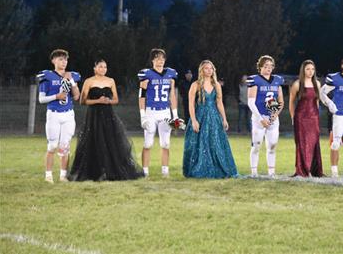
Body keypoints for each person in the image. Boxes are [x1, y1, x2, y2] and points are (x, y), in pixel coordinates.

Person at [68, 59, 144, 181]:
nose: (103, 69)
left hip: (108, 115)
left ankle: (110, 170)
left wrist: (109, 101)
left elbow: (116, 100)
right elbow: (83, 101)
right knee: (94, 141)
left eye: (105, 67)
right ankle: (95, 171)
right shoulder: (89, 81)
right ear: (95, 68)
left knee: (111, 141)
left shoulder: (110, 81)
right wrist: (98, 101)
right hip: (94, 115)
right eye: (100, 67)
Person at [183, 60, 238, 178]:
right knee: (199, 143)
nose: (209, 70)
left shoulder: (216, 85)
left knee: (215, 143)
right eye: (206, 68)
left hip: (213, 117)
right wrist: (193, 120)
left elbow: (219, 103)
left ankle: (217, 167)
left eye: (211, 68)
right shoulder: (195, 85)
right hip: (200, 116)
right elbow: (191, 104)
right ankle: (200, 168)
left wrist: (224, 119)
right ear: (201, 70)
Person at [36, 49, 80, 183]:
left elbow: (77, 96)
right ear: (53, 61)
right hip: (54, 114)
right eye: (60, 59)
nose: (64, 62)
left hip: (68, 114)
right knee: (52, 146)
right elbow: (41, 99)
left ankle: (63, 175)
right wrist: (57, 96)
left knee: (65, 146)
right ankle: (48, 175)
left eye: (65, 59)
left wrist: (72, 82)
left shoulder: (71, 75)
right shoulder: (47, 76)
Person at [138, 48, 178, 178]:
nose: (160, 61)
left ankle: (165, 171)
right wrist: (142, 115)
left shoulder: (171, 74)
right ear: (152, 60)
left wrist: (175, 115)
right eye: (157, 58)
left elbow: (172, 95)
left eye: (162, 58)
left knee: (166, 143)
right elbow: (141, 96)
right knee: (148, 142)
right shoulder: (146, 74)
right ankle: (145, 171)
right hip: (151, 112)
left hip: (165, 112)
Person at [247, 55, 284, 178]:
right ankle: (254, 172)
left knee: (272, 145)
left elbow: (281, 101)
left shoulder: (277, 80)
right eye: (266, 66)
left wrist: (275, 114)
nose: (268, 68)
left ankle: (271, 172)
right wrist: (260, 119)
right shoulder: (255, 80)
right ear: (260, 67)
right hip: (259, 116)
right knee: (257, 144)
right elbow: (251, 102)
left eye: (270, 66)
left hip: (272, 116)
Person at [289, 60, 323, 177]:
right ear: (303, 70)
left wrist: (317, 116)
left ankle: (314, 170)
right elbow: (291, 102)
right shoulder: (297, 84)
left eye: (312, 69)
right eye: (308, 69)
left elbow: (317, 101)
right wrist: (293, 116)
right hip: (301, 117)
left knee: (314, 143)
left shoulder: (317, 84)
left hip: (314, 117)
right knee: (302, 143)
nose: (310, 72)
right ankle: (302, 170)